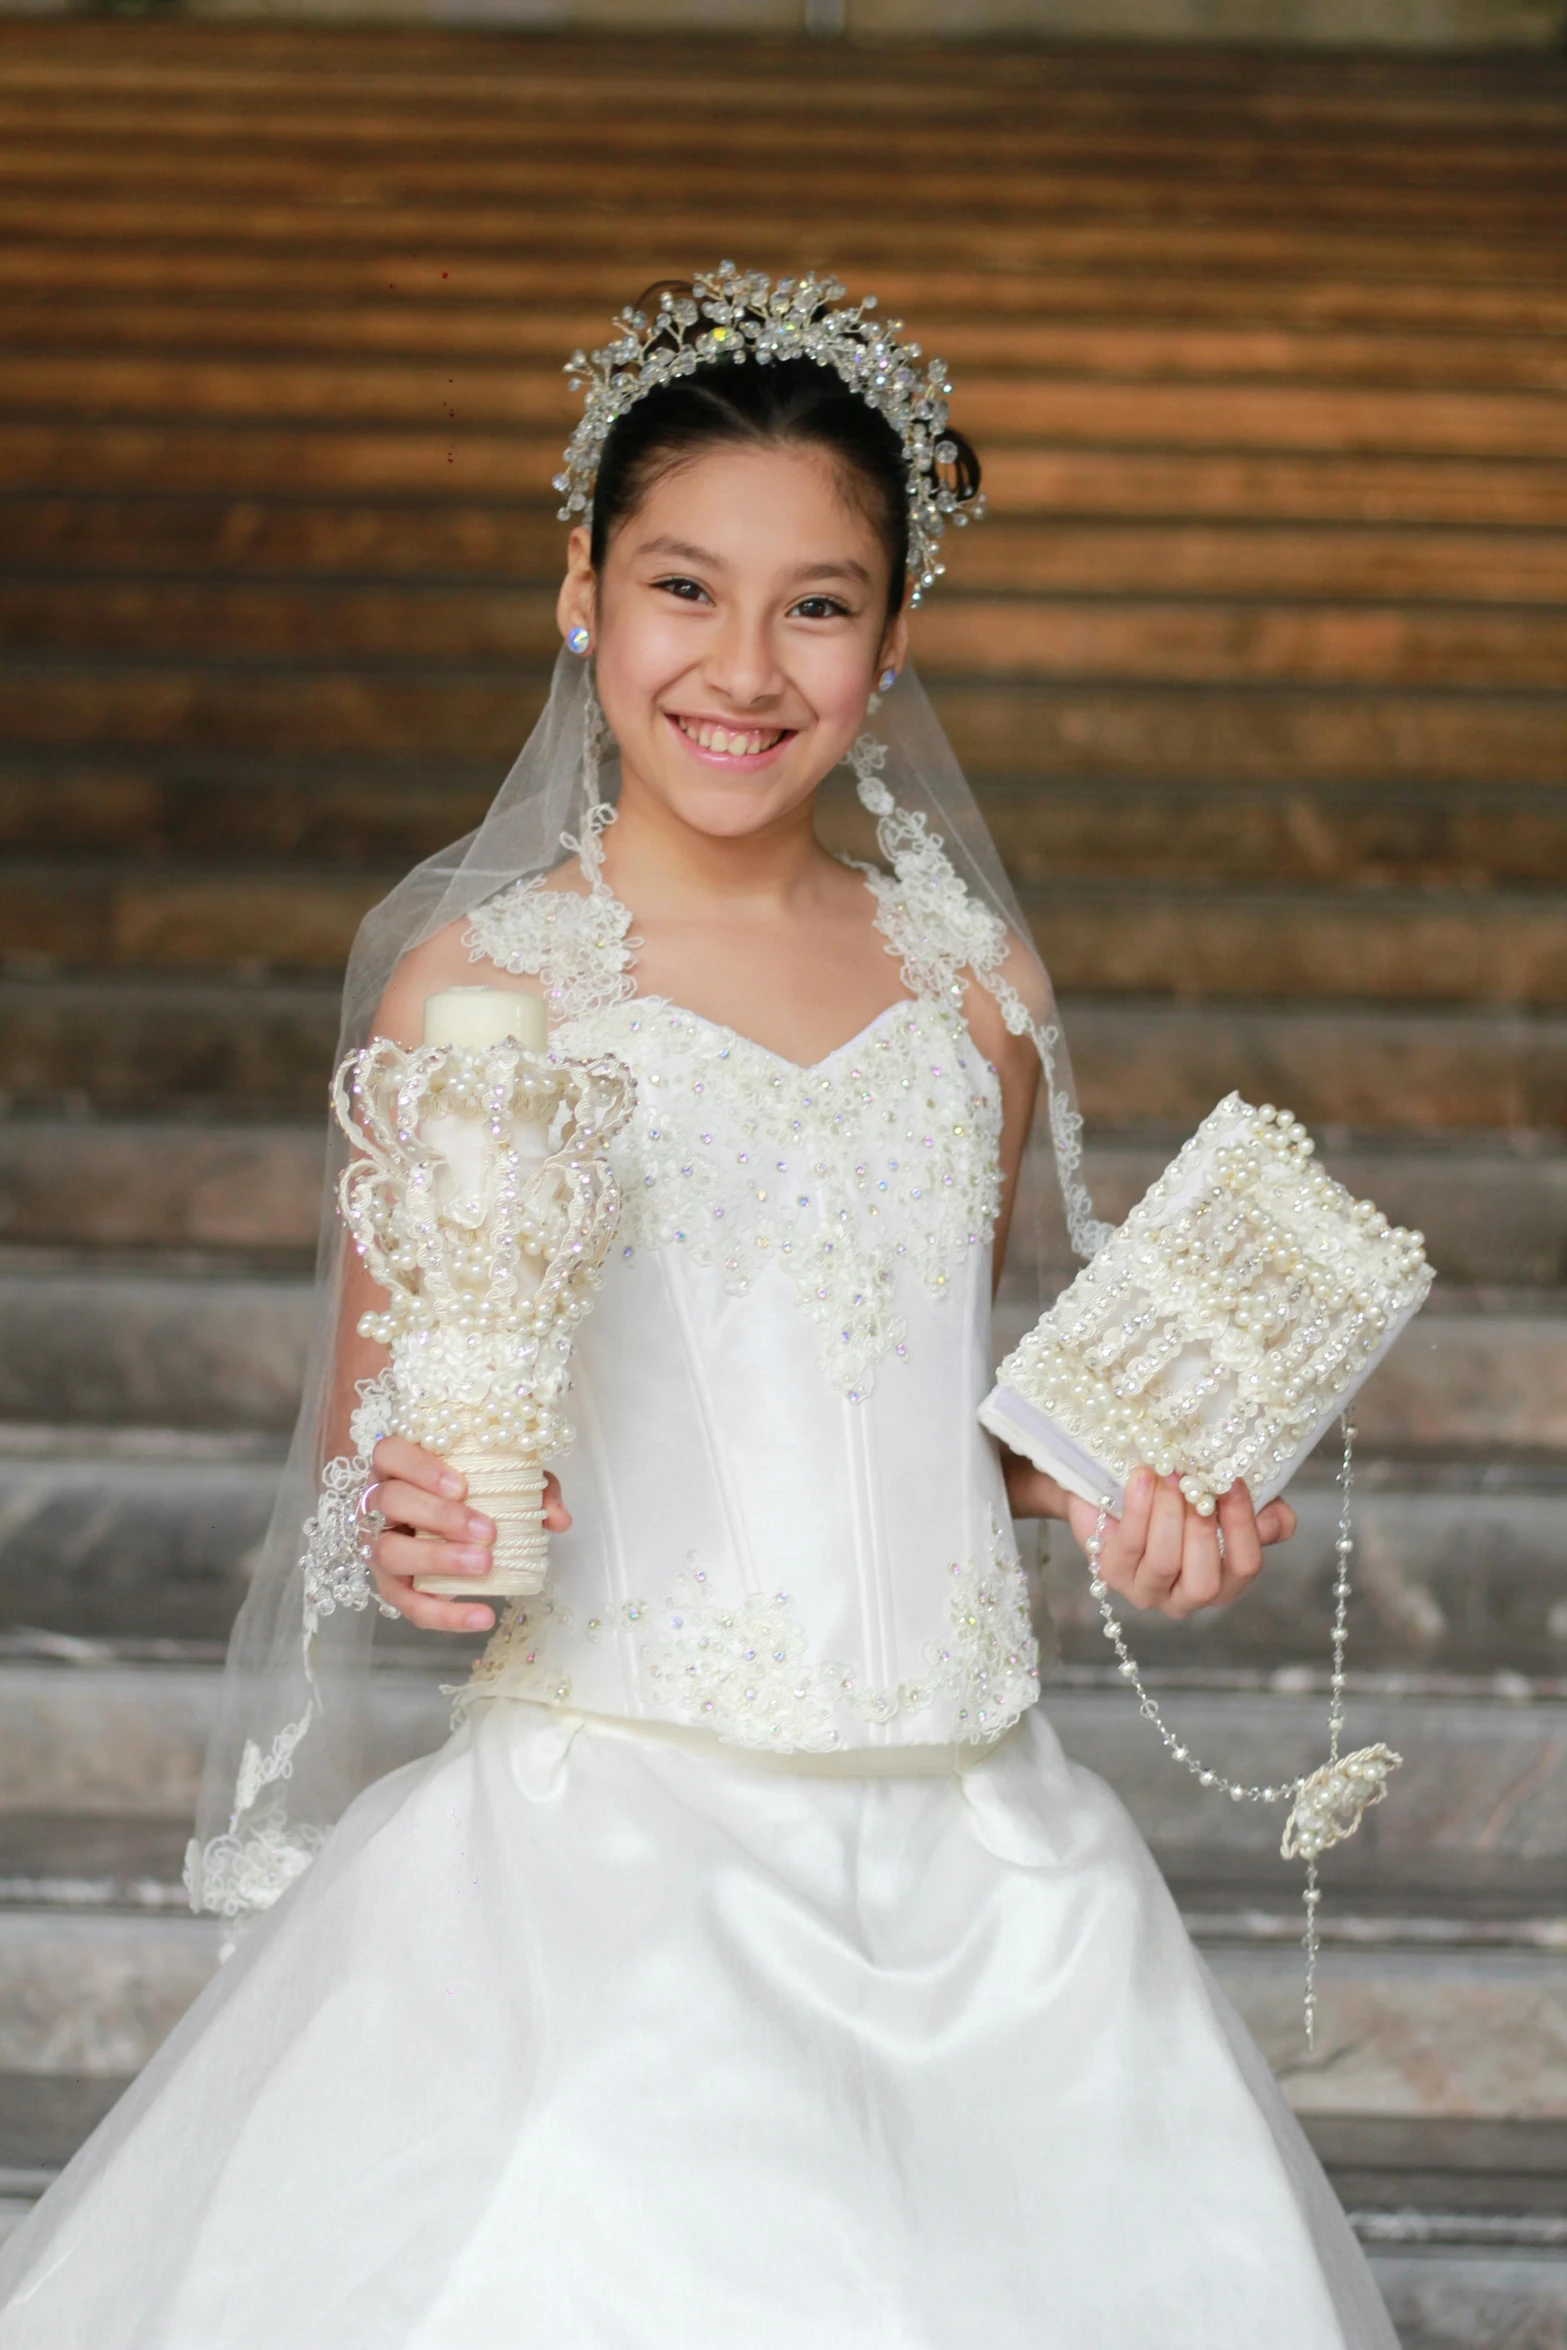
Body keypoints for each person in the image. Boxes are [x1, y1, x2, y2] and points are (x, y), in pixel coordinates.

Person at [0, 267, 1397, 2347]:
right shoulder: (488, 983)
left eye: (819, 604)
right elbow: (398, 1428)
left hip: (978, 1845)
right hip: (611, 1823)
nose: (745, 666)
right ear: (581, 589)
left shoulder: (976, 995)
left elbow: (926, 1398)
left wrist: (1114, 1496)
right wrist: (420, 1520)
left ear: (895, 635)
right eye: (682, 585)